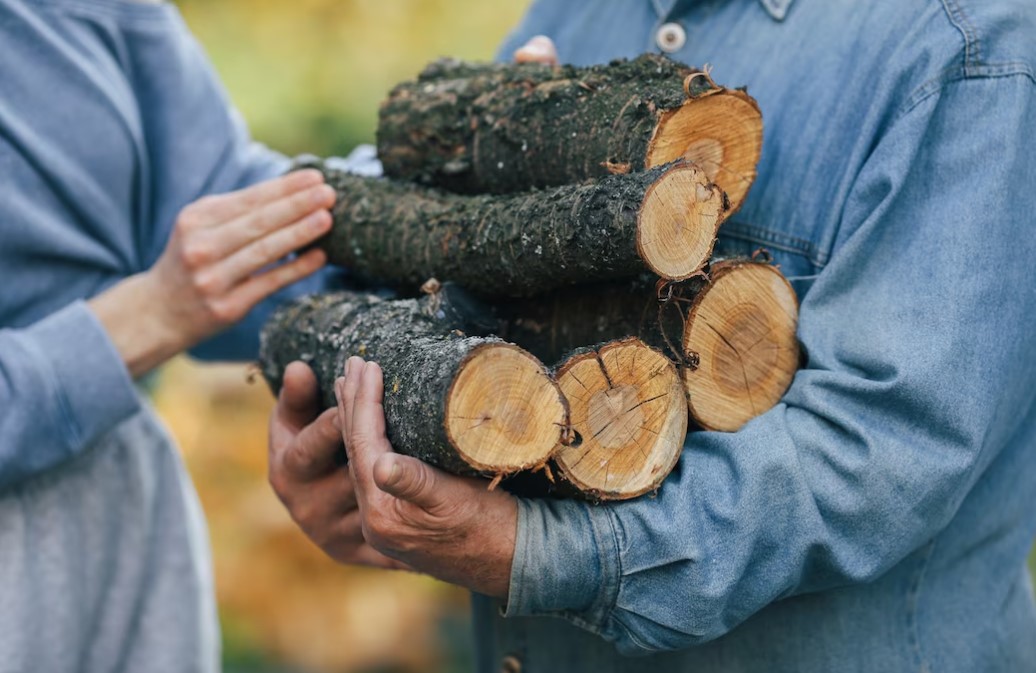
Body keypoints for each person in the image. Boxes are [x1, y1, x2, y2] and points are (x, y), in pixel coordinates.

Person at [269, 1, 1036, 671]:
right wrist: (372, 460)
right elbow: (463, 284)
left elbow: (879, 456)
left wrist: (538, 552)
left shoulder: (968, 49)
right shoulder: (573, 14)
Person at [0, 0, 378, 670]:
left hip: (117, 540)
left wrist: (445, 191)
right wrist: (146, 317)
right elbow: (174, 292)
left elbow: (210, 200)